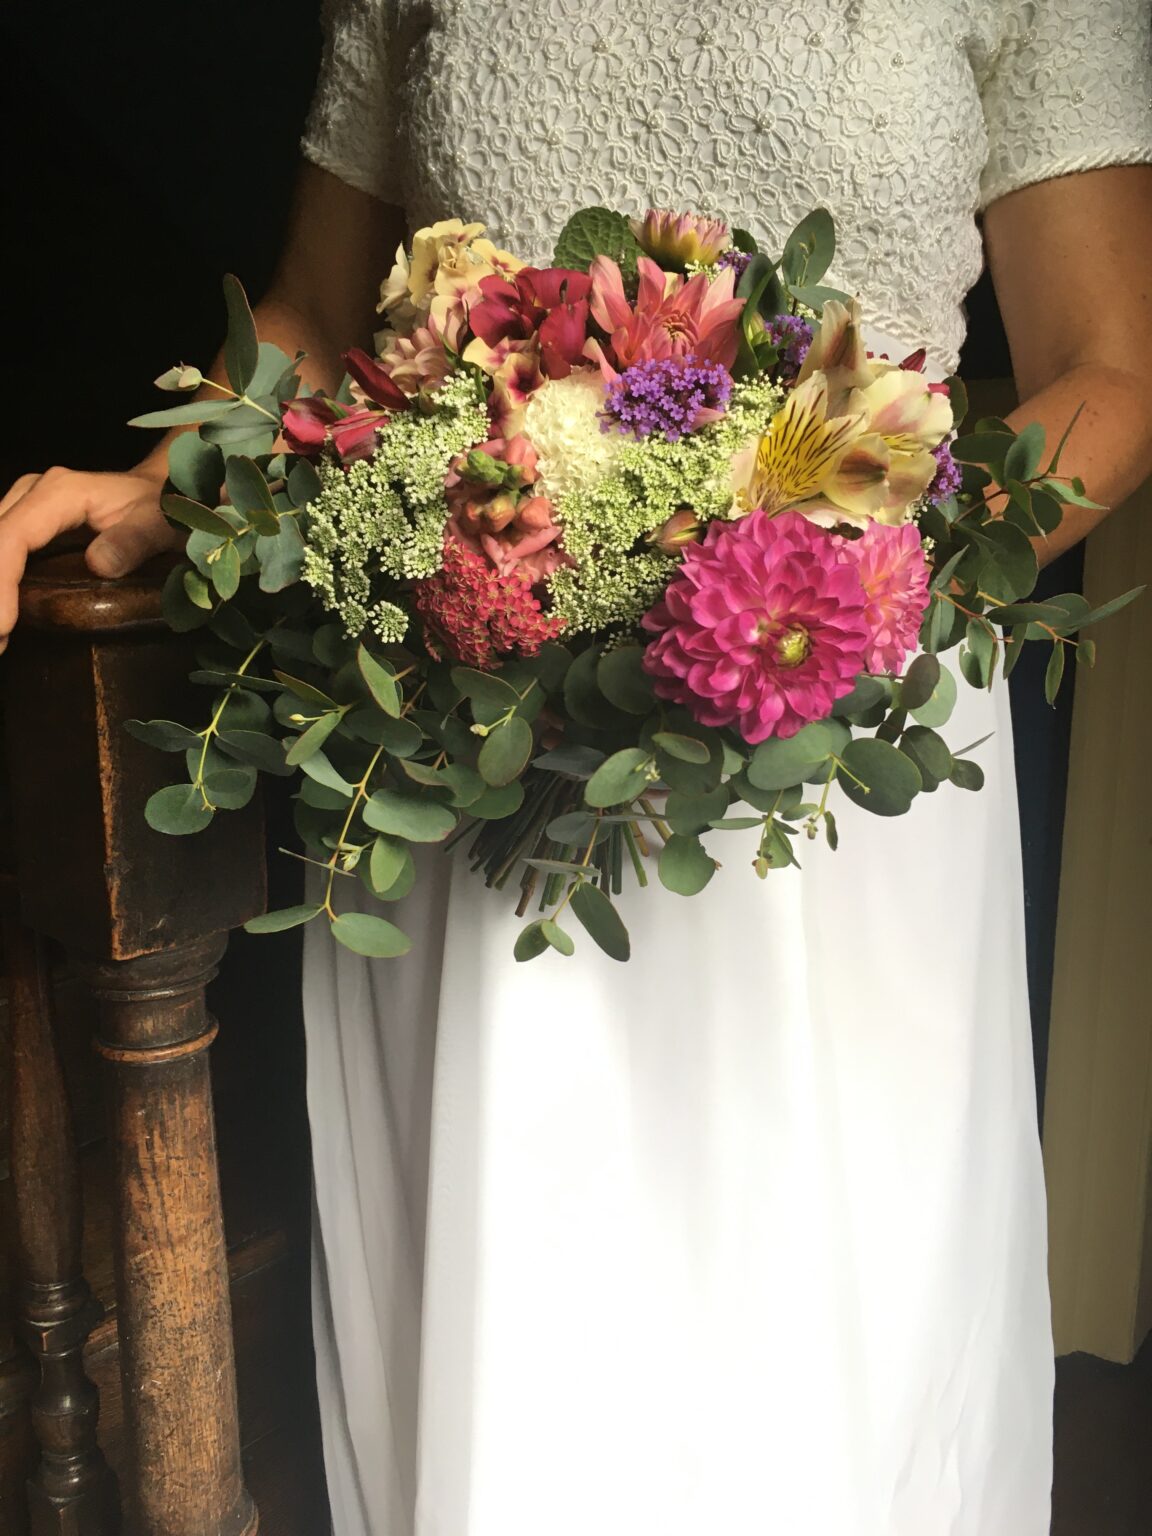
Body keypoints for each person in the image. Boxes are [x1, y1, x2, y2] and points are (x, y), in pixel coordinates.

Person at [3, 3, 1152, 1532]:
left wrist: (830, 582)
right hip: (475, 727)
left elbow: (1109, 368)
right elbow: (317, 312)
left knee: (824, 1348)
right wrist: (168, 477)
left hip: (831, 741)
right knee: (514, 1351)